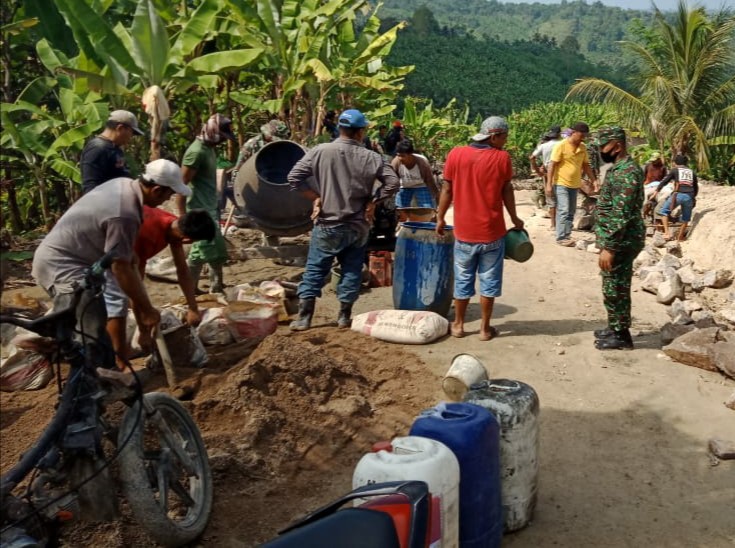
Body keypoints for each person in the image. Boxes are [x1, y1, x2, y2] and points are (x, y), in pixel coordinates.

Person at [31, 159, 192, 370]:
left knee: (95, 330)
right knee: (92, 336)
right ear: (157, 190)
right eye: (169, 194)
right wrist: (147, 310)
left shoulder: (123, 185)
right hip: (62, 267)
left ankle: (104, 376)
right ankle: (87, 392)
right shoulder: (124, 213)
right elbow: (120, 268)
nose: (168, 199)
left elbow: (123, 256)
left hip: (73, 260)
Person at [287, 108, 400, 331]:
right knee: (351, 269)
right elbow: (393, 183)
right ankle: (344, 316)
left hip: (328, 223)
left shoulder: (320, 151)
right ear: (360, 133)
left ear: (340, 128)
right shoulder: (372, 157)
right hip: (358, 225)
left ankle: (304, 318)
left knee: (315, 270)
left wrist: (316, 197)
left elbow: (294, 178)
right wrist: (373, 201)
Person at [436, 116, 524, 341]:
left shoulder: (456, 154)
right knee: (489, 280)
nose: (505, 141)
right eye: (504, 137)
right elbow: (507, 192)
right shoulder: (502, 158)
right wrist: (515, 219)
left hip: (464, 233)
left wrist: (440, 217)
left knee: (463, 278)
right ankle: (485, 329)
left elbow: (447, 189)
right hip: (492, 233)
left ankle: (458, 325)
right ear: (494, 136)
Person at [104, 206, 216, 369]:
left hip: (122, 258)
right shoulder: (145, 234)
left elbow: (182, 271)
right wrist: (143, 330)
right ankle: (118, 362)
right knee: (116, 306)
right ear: (187, 239)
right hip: (102, 257)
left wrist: (193, 308)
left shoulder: (174, 226)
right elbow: (135, 287)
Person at [592, 127, 645, 350]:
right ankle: (615, 326)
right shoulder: (619, 169)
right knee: (612, 283)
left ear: (617, 145)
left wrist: (610, 247)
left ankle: (622, 336)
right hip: (617, 238)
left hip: (622, 240)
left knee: (616, 286)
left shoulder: (628, 173)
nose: (601, 151)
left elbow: (621, 214)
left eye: (603, 146)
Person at [177, 113, 236, 294]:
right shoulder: (196, 153)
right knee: (201, 251)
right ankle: (191, 290)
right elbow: (181, 186)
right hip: (198, 210)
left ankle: (215, 287)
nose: (222, 141)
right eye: (222, 137)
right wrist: (183, 218)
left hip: (210, 207)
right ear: (213, 132)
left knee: (214, 251)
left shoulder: (208, 148)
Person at [546, 122, 597, 246]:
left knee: (571, 211)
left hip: (575, 184)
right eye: (581, 135)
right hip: (561, 183)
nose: (583, 138)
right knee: (563, 210)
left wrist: (594, 180)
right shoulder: (561, 146)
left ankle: (567, 235)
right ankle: (560, 237)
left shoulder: (583, 147)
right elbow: (552, 165)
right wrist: (548, 184)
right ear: (573, 132)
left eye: (585, 135)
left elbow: (586, 165)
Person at [80, 110, 144, 194]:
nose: (131, 137)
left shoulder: (115, 147)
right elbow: (90, 186)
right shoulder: (98, 148)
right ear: (120, 128)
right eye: (131, 132)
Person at [652, 155, 698, 241]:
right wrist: (693, 198)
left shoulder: (675, 170)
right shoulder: (692, 172)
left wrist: (656, 191)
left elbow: (665, 181)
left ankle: (667, 233)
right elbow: (695, 187)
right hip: (689, 196)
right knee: (686, 218)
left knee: (664, 212)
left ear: (675, 163)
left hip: (678, 195)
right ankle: (680, 237)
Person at [391, 139, 440, 221]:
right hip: (404, 186)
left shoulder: (422, 162)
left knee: (428, 211)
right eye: (398, 155)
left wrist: (438, 202)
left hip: (422, 185)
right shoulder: (396, 162)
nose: (400, 158)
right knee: (399, 211)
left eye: (403, 156)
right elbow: (391, 181)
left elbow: (430, 182)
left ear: (410, 154)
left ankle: (431, 227)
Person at [530, 125, 562, 229]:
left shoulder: (544, 146)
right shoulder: (563, 144)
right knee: (562, 198)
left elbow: (532, 157)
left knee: (551, 199)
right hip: (563, 174)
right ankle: (563, 224)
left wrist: (537, 170)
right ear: (559, 134)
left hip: (548, 173)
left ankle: (553, 225)